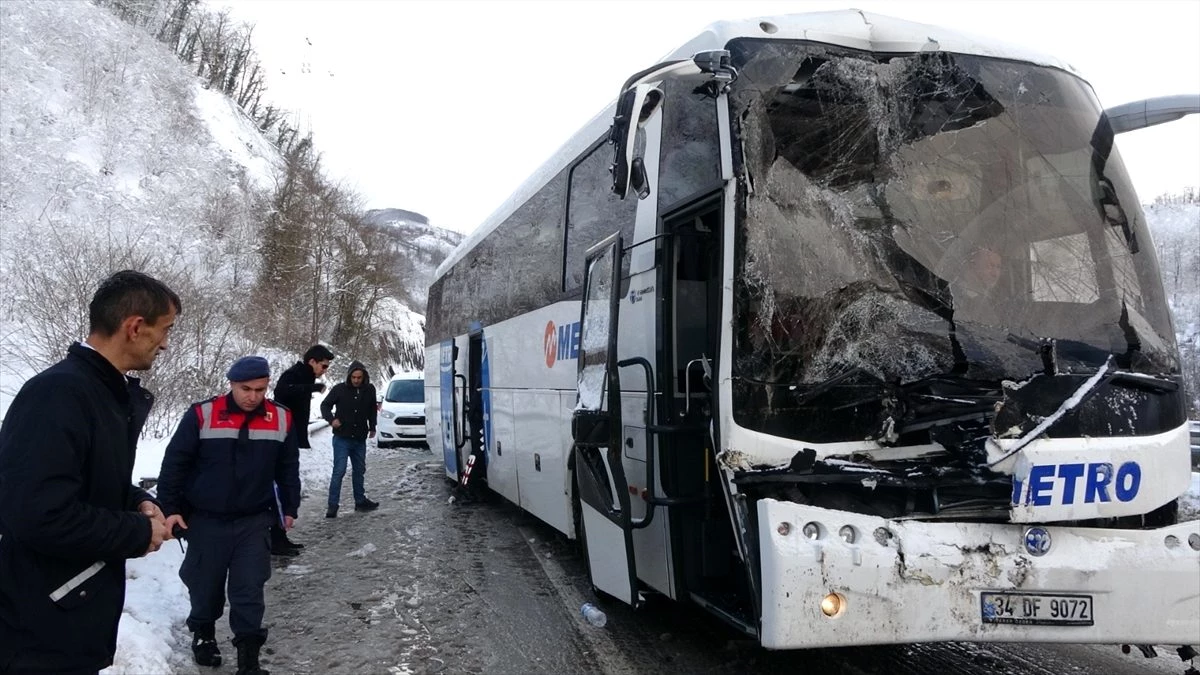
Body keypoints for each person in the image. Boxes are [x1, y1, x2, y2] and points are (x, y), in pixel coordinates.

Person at [0, 269, 178, 674]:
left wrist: (139, 501)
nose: (166, 343)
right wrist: (137, 532)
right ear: (135, 327)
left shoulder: (101, 392)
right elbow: (37, 514)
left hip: (72, 616)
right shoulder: (59, 394)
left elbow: (90, 481)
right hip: (39, 633)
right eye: (164, 329)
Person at [157, 356, 300, 675]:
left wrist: (290, 506)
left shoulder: (281, 418)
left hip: (253, 519)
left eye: (260, 389)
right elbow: (174, 464)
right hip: (207, 519)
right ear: (231, 385)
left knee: (249, 588)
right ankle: (204, 635)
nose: (252, 396)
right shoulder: (202, 415)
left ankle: (249, 660)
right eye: (245, 389)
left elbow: (288, 467)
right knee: (205, 585)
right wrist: (170, 508)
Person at [268, 345, 333, 554]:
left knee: (287, 486)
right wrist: (312, 388)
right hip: (282, 438)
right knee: (282, 486)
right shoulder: (294, 374)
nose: (324, 370)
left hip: (290, 437)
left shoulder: (304, 376)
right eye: (323, 365)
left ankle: (279, 537)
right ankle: (275, 539)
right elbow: (282, 392)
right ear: (312, 361)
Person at [319, 360, 380, 518]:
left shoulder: (369, 390)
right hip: (342, 437)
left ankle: (360, 501)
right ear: (349, 376)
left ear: (364, 377)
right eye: (353, 377)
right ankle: (332, 506)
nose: (356, 380)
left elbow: (372, 409)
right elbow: (325, 405)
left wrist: (373, 426)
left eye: (359, 377)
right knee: (339, 471)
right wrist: (331, 419)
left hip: (359, 438)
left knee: (359, 470)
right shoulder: (340, 389)